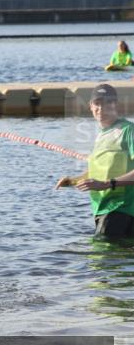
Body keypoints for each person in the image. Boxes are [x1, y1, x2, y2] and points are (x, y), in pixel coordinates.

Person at [56, 83, 134, 239]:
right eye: (97, 103)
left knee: (101, 253)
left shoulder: (128, 130)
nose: (101, 108)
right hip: (102, 207)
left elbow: (104, 181)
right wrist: (73, 181)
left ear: (116, 105)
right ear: (90, 106)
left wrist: (106, 184)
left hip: (120, 208)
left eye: (107, 103)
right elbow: (98, 170)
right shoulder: (101, 136)